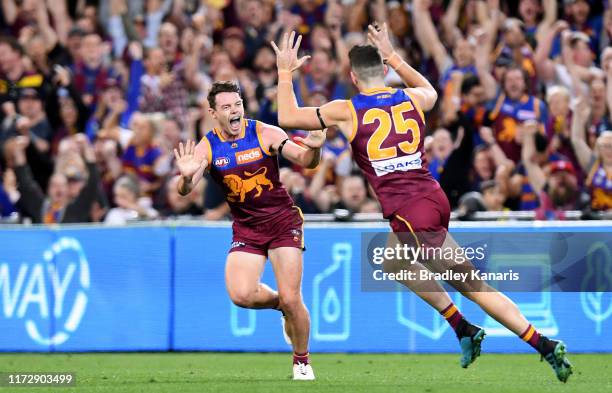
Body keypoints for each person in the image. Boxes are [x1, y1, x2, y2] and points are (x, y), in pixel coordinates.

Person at [272, 27, 572, 382]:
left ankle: (544, 345)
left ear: (352, 77)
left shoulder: (346, 110)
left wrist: (284, 72)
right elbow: (431, 89)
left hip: (410, 210)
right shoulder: (412, 98)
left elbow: (288, 118)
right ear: (384, 71)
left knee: (473, 287)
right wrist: (394, 55)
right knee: (393, 260)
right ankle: (462, 327)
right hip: (432, 197)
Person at [173, 81, 324, 380]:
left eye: (237, 104)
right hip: (247, 228)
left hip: (283, 222)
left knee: (295, 298)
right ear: (213, 113)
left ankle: (302, 362)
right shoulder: (207, 146)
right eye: (227, 107)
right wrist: (187, 178)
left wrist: (315, 149)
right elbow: (184, 190)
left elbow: (306, 161)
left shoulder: (265, 133)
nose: (234, 111)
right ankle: (282, 305)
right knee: (241, 295)